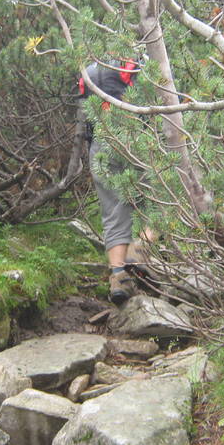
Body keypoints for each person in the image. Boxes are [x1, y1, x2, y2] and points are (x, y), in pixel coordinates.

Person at [78, 58, 154, 305]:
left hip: (99, 144)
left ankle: (119, 278)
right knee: (164, 199)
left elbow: (85, 117)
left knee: (113, 212)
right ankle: (139, 250)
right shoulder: (134, 65)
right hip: (133, 138)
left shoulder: (87, 71)